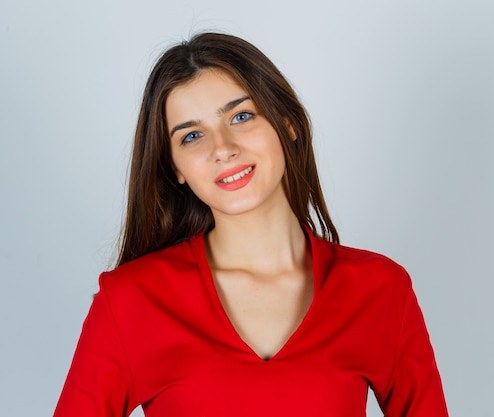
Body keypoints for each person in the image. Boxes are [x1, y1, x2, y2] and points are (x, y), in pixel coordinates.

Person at [53, 32, 448, 417]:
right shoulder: (128, 302)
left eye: (240, 116)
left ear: (287, 122)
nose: (222, 148)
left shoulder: (381, 290)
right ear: (176, 168)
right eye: (192, 136)